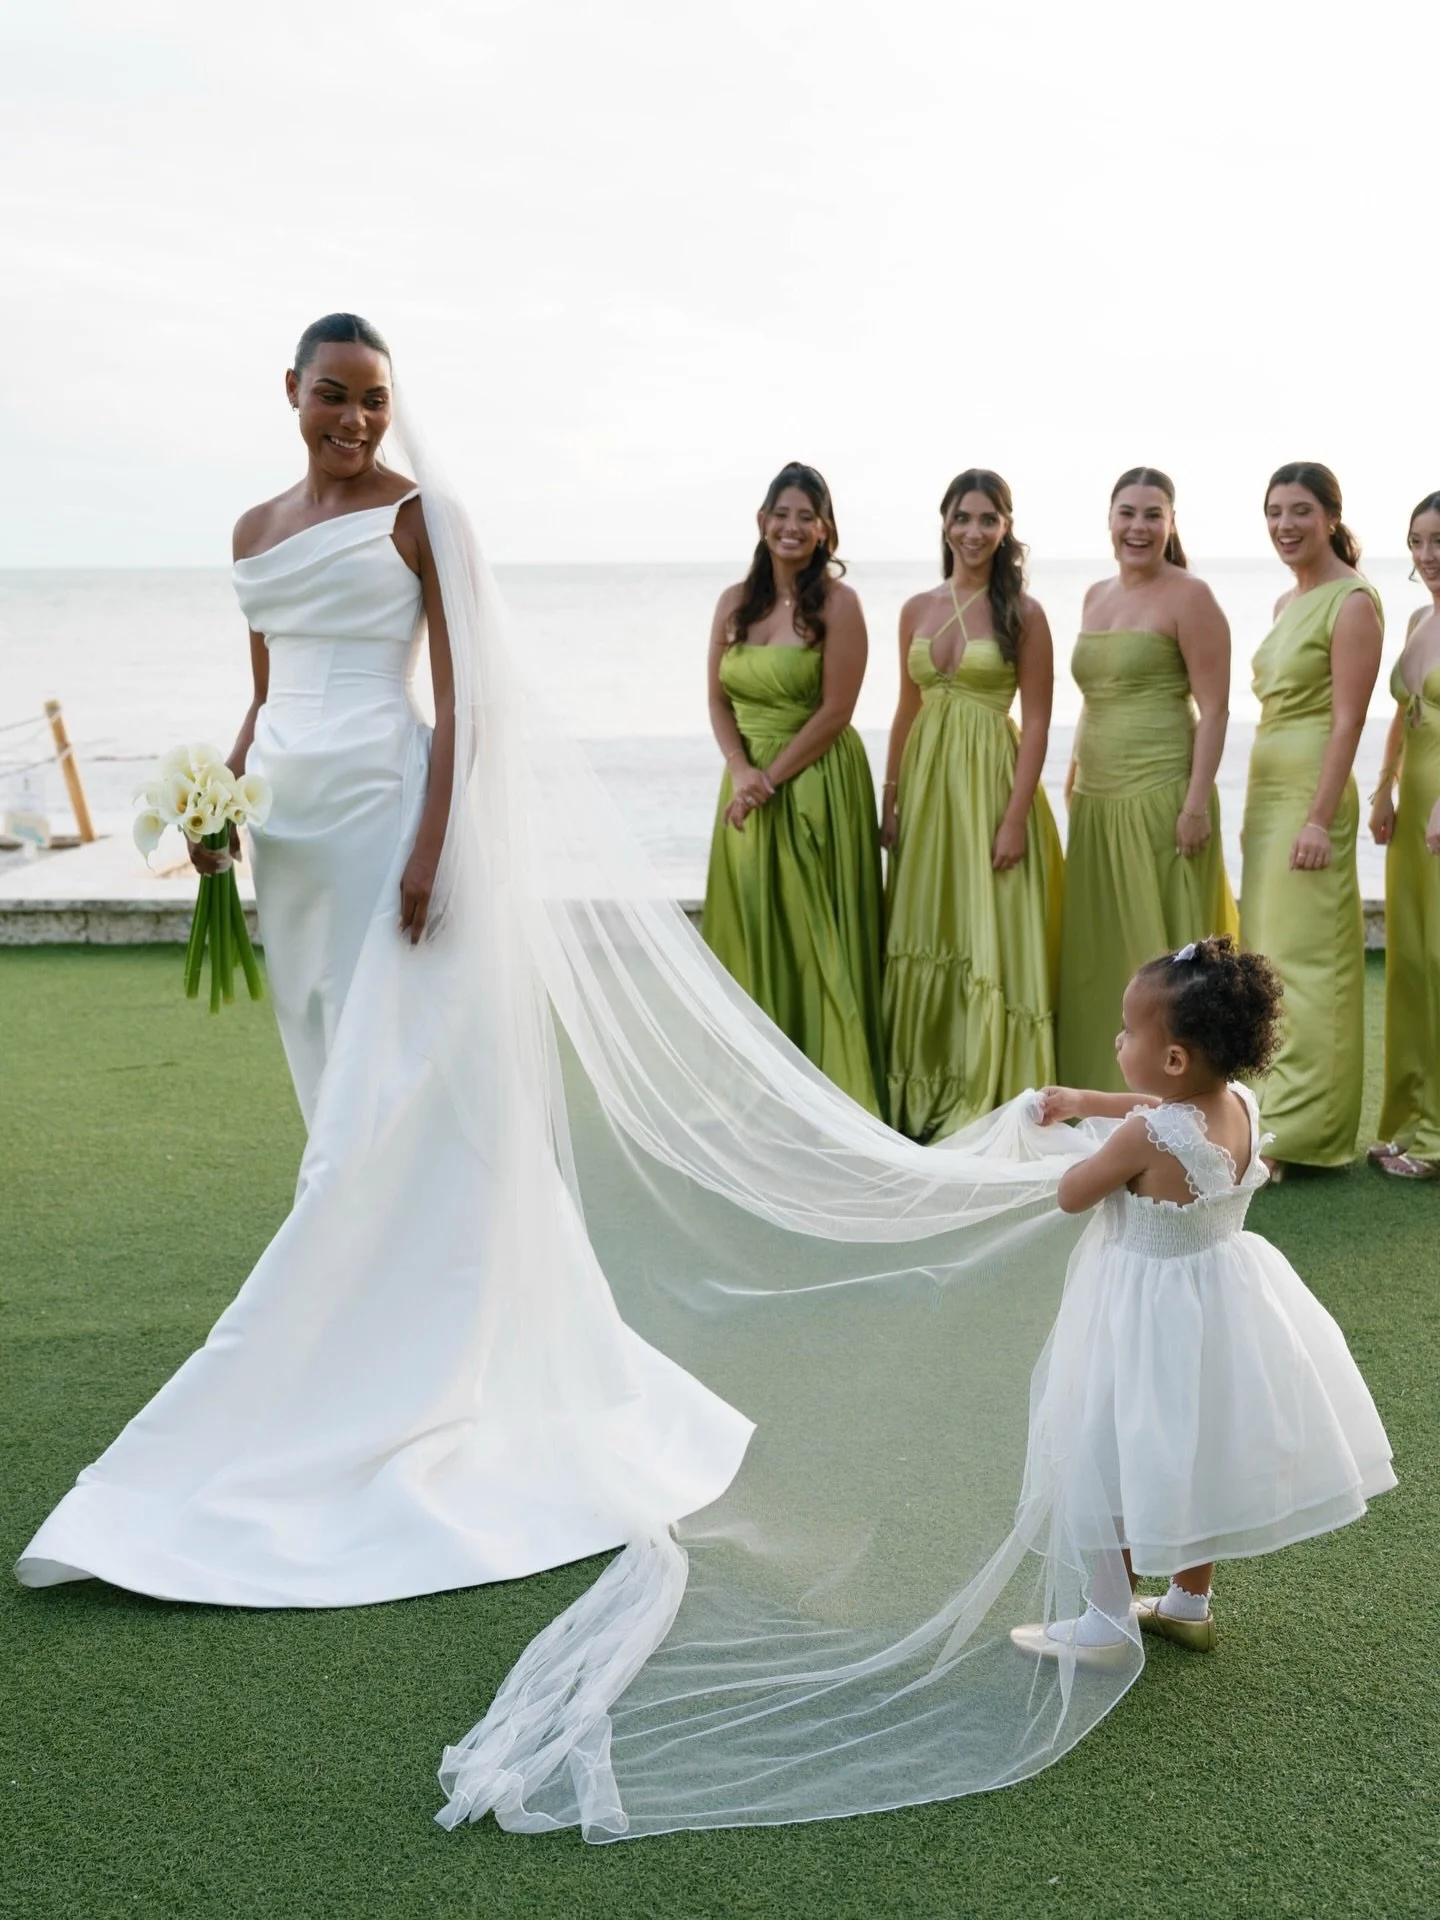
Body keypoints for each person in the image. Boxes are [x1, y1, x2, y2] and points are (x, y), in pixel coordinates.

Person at [15, 314, 754, 1604]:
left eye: (373, 402)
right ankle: (372, 1337)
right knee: (335, 1098)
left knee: (402, 1098)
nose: (354, 421)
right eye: (332, 398)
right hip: (289, 847)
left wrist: (434, 846)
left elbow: (469, 702)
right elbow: (263, 691)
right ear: (289, 394)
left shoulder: (425, 519)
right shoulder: (252, 533)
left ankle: (399, 1368)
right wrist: (215, 806)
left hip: (383, 820)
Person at [1012, 937, 1394, 1662]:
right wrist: (1091, 1101)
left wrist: (1090, 1131)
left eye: (1129, 1032)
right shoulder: (1239, 1103)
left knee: (1107, 1443)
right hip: (1224, 1300)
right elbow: (1162, 1109)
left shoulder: (1145, 1136)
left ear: (1175, 1056)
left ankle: (1106, 1614)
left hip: (1141, 1314)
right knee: (1201, 1446)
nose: (1118, 1040)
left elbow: (1072, 1195)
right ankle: (1188, 1602)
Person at [881, 469, 1062, 1140]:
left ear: (1006, 528)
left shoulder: (1025, 614)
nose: (975, 532)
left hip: (992, 784)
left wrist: (1015, 816)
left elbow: (1039, 722)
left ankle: (987, 1093)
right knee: (927, 928)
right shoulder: (915, 610)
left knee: (988, 934)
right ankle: (921, 1082)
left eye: (988, 519)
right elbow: (905, 709)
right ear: (945, 523)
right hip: (928, 790)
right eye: (963, 518)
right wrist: (891, 796)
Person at [701, 463, 885, 1114]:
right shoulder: (733, 602)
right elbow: (718, 700)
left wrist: (768, 781)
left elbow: (837, 709)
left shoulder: (840, 604)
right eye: (783, 513)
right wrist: (741, 771)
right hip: (747, 781)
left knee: (817, 937)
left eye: (807, 516)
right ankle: (758, 1092)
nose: (792, 527)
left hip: (815, 784)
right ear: (762, 521)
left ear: (825, 530)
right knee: (754, 927)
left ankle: (831, 1091)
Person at [1057, 468, 1236, 1091]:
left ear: (1171, 523)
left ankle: (1185, 1101)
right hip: (1098, 799)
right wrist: (1075, 766)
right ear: (1109, 519)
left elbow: (1214, 708)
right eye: (1127, 513)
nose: (1139, 526)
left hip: (1163, 796)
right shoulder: (1094, 595)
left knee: (1165, 964)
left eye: (1153, 514)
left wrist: (1195, 804)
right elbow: (1091, 696)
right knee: (1100, 956)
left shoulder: (1192, 596)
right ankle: (1099, 1090)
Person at [1240, 463, 1384, 1175]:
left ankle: (1306, 1135)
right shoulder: (1282, 603)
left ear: (1331, 515)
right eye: (1273, 512)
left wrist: (1320, 820)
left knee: (1309, 965)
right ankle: (1272, 1115)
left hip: (1311, 796)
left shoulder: (1352, 600)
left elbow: (1350, 719)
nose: (1284, 526)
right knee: (1269, 958)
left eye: (1300, 511)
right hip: (1268, 790)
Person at [1368, 492, 1440, 1179]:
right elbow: (1403, 713)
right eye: (1418, 541)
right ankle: (1413, 1121)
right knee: (1413, 965)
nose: (1428, 556)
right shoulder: (1421, 616)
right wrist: (1384, 785)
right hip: (1415, 808)